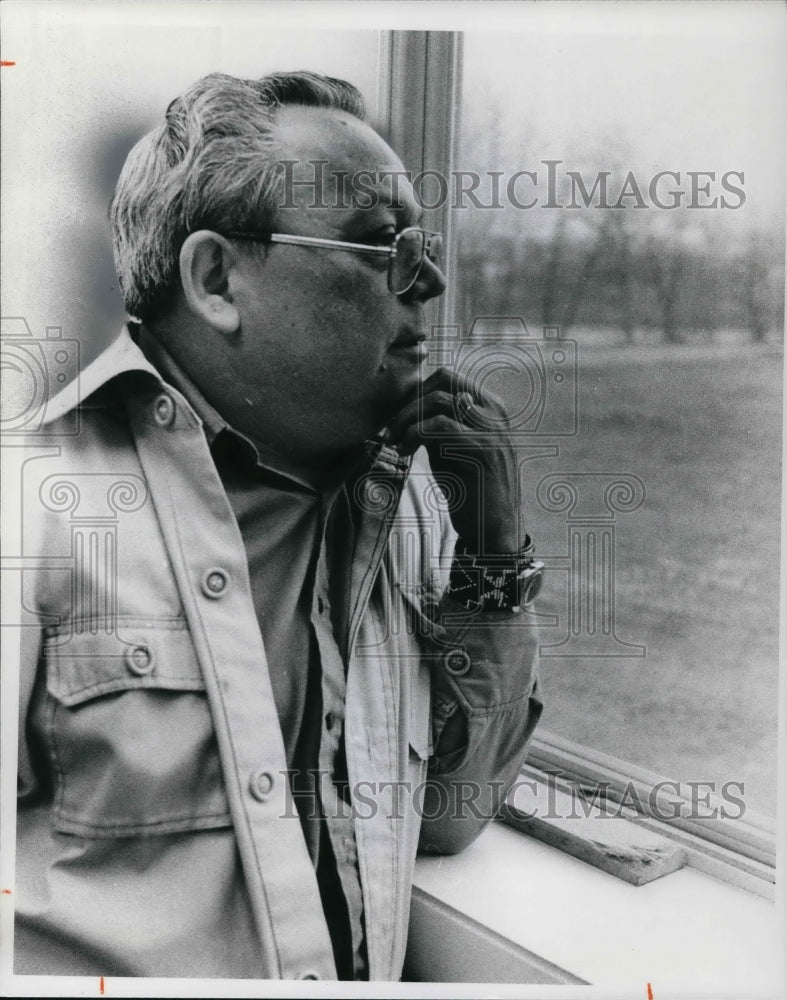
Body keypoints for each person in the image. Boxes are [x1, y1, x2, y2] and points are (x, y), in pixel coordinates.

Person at [14, 71, 543, 982]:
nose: (432, 280)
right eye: (384, 244)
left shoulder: (408, 501)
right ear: (218, 279)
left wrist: (494, 559)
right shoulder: (34, 502)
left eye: (422, 243)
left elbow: (450, 814)